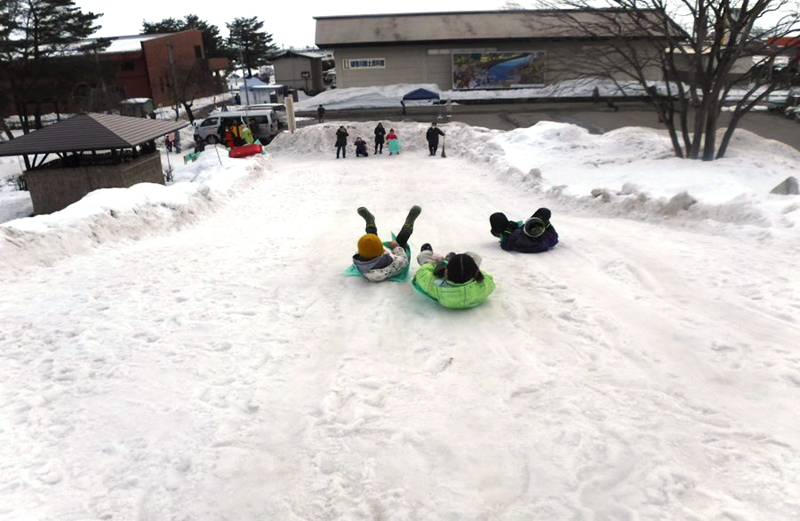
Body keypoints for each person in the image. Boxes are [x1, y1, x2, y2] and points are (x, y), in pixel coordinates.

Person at [352, 205, 422, 282]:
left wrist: (371, 247)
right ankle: (409, 223)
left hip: (374, 256)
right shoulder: (393, 263)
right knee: (401, 239)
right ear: (382, 250)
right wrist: (396, 247)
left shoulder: (359, 263)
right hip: (396, 261)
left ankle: (370, 221)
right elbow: (403, 259)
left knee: (370, 238)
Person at [412, 246, 496, 309]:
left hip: (445, 274)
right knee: (474, 256)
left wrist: (436, 264)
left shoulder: (435, 286)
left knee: (423, 255)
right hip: (463, 274)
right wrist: (467, 266)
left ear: (447, 271)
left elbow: (422, 272)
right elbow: (486, 277)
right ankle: (458, 262)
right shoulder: (485, 286)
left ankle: (445, 260)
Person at [489, 207, 559, 253]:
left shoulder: (521, 241)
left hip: (511, 234)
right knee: (544, 211)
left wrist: (508, 231)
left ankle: (497, 231)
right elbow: (554, 238)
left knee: (497, 217)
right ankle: (538, 222)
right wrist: (547, 224)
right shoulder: (547, 239)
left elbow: (506, 245)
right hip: (526, 230)